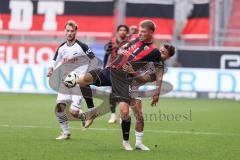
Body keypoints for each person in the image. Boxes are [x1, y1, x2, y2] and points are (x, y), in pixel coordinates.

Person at [65, 20, 175, 150]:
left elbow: (145, 78)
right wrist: (121, 49)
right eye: (140, 31)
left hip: (128, 83)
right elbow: (123, 44)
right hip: (112, 71)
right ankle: (91, 111)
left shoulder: (156, 60)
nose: (140, 33)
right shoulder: (136, 41)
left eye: (143, 32)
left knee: (132, 114)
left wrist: (155, 91)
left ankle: (131, 142)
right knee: (79, 81)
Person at [46, 20, 95, 140]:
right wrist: (51, 68)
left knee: (73, 113)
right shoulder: (62, 47)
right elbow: (54, 59)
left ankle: (82, 116)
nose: (69, 33)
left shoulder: (82, 46)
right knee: (59, 108)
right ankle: (65, 132)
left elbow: (93, 59)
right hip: (66, 81)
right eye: (67, 30)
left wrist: (88, 74)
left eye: (72, 31)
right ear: (65, 31)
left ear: (76, 32)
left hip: (78, 82)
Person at [103, 24, 129, 123]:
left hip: (125, 71)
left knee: (123, 93)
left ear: (127, 32)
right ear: (118, 32)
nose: (122, 32)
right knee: (112, 93)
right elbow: (107, 55)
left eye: (124, 30)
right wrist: (104, 67)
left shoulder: (130, 43)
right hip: (113, 70)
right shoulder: (112, 42)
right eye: (120, 30)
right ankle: (113, 115)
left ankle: (123, 115)